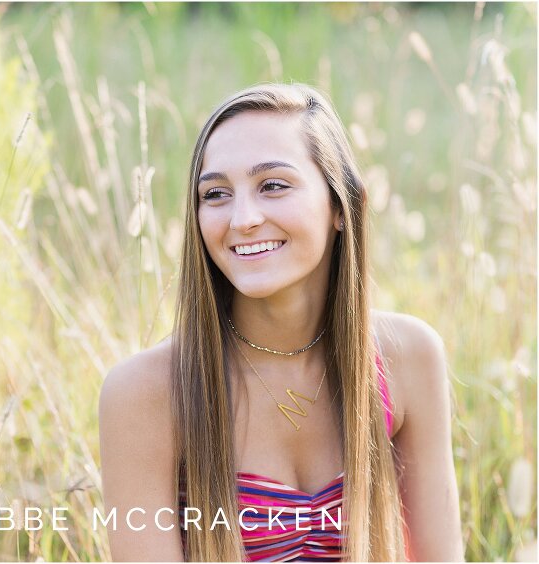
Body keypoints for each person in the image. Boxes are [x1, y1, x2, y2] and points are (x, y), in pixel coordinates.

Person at [99, 83, 464, 562]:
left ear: (340, 205)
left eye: (272, 185)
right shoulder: (147, 391)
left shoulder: (407, 357)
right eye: (216, 194)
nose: (243, 218)